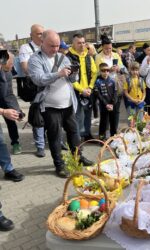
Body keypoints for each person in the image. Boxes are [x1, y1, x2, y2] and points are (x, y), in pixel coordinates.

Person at [28, 30, 93, 178]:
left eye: (58, 45)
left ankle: (78, 157)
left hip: (68, 104)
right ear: (42, 42)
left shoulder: (63, 57)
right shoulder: (35, 59)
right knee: (55, 136)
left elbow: (72, 80)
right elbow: (38, 79)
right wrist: (58, 74)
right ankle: (59, 164)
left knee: (74, 133)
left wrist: (73, 74)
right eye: (52, 46)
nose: (55, 49)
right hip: (50, 107)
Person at [18, 24, 46, 158]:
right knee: (37, 115)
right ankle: (40, 145)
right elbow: (25, 68)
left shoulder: (47, 46)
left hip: (49, 86)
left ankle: (54, 141)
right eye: (39, 33)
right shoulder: (25, 48)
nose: (42, 36)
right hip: (36, 87)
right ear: (32, 35)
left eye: (43, 33)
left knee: (52, 115)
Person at [66, 33, 97, 142]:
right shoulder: (68, 57)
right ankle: (77, 138)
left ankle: (87, 134)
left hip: (88, 91)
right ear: (73, 43)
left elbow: (95, 73)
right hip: (75, 91)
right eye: (79, 43)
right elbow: (70, 78)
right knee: (77, 116)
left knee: (88, 114)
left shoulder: (88, 56)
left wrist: (90, 87)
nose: (82, 45)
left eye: (83, 42)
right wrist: (81, 90)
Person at [0, 50, 25, 183]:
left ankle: (8, 169)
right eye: (10, 63)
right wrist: (3, 112)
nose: (12, 67)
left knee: (0, 142)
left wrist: (17, 110)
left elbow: (8, 94)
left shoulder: (7, 72)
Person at [94, 63, 121, 140]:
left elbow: (115, 93)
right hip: (103, 106)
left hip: (113, 106)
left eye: (107, 70)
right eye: (103, 70)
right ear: (100, 71)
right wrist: (106, 104)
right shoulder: (98, 82)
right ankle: (102, 138)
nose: (105, 72)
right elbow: (98, 95)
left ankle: (113, 138)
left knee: (113, 123)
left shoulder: (112, 81)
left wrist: (112, 104)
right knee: (103, 123)